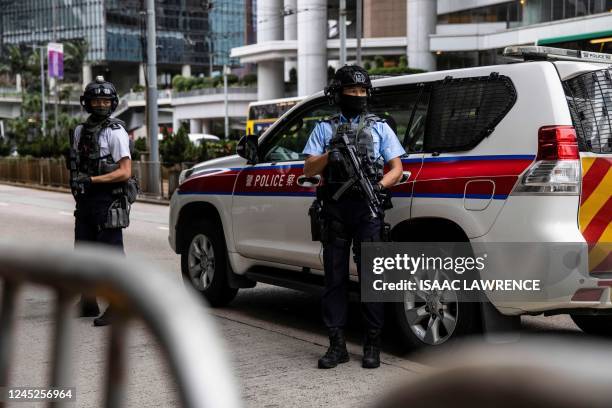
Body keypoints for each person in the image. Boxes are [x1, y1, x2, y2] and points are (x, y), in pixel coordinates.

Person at [303, 65, 405, 369]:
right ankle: (337, 346)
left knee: (372, 278)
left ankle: (372, 343)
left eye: (362, 91)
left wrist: (377, 186)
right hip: (335, 208)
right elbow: (309, 169)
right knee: (334, 278)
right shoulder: (324, 128)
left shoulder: (379, 127)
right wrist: (330, 155)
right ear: (339, 94)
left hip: (367, 208)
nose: (358, 96)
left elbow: (396, 169)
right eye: (352, 91)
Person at [71, 76, 132, 327]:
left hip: (108, 200)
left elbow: (125, 171)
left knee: (111, 256)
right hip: (85, 200)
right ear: (87, 103)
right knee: (83, 253)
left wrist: (93, 181)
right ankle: (88, 301)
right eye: (96, 100)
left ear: (113, 103)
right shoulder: (78, 131)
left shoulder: (116, 132)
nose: (101, 105)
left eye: (105, 100)